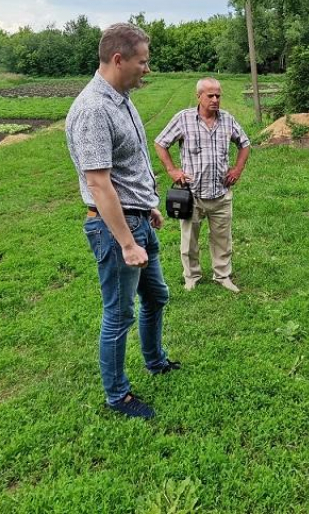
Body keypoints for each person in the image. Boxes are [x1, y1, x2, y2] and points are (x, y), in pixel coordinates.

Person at [65, 23, 179, 420]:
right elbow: (98, 184)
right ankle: (118, 396)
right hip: (117, 231)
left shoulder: (121, 98)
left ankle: (155, 360)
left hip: (138, 219)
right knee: (119, 313)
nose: (147, 69)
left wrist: (147, 205)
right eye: (142, 62)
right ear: (118, 60)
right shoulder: (94, 109)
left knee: (157, 296)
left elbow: (127, 167)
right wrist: (128, 243)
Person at [154, 77, 251, 293]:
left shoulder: (227, 120)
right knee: (189, 241)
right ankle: (192, 276)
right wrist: (172, 170)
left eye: (218, 95)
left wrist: (237, 170)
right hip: (193, 194)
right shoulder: (183, 119)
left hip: (220, 193)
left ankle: (223, 275)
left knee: (223, 239)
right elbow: (160, 143)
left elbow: (244, 144)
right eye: (210, 96)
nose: (215, 99)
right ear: (199, 96)